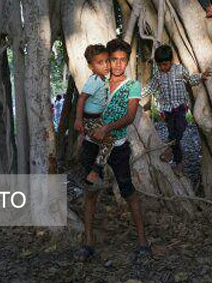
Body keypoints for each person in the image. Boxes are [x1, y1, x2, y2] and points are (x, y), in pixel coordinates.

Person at [75, 38, 150, 261]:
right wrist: (85, 126)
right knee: (90, 191)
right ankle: (88, 241)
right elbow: (86, 103)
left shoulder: (133, 86)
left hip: (117, 146)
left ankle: (143, 241)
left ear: (128, 61)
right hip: (91, 144)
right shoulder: (100, 81)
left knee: (128, 190)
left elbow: (129, 116)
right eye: (113, 59)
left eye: (122, 60)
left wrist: (106, 128)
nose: (117, 64)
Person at [142, 44, 211, 176]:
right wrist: (136, 94)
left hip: (180, 108)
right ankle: (179, 163)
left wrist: (201, 76)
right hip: (167, 111)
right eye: (160, 65)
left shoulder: (179, 70)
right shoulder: (158, 75)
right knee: (173, 135)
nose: (163, 67)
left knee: (179, 129)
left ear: (171, 61)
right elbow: (150, 88)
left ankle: (169, 150)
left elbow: (190, 80)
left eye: (166, 64)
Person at [74, 44, 112, 187]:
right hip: (90, 119)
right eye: (100, 63)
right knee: (109, 141)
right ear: (91, 66)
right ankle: (95, 171)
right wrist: (78, 120)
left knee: (106, 137)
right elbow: (82, 98)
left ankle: (87, 138)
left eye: (107, 61)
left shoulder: (104, 80)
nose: (106, 65)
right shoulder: (94, 80)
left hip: (98, 118)